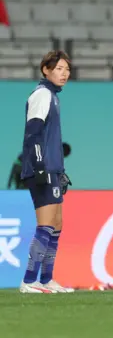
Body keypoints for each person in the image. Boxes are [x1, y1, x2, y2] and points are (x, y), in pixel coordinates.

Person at [19, 50, 73, 293]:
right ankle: (29, 281)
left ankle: (46, 279)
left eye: (67, 70)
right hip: (41, 169)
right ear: (46, 70)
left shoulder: (52, 96)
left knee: (56, 225)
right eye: (59, 68)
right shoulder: (42, 94)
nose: (64, 74)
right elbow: (33, 133)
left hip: (52, 169)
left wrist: (59, 170)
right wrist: (41, 167)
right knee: (46, 225)